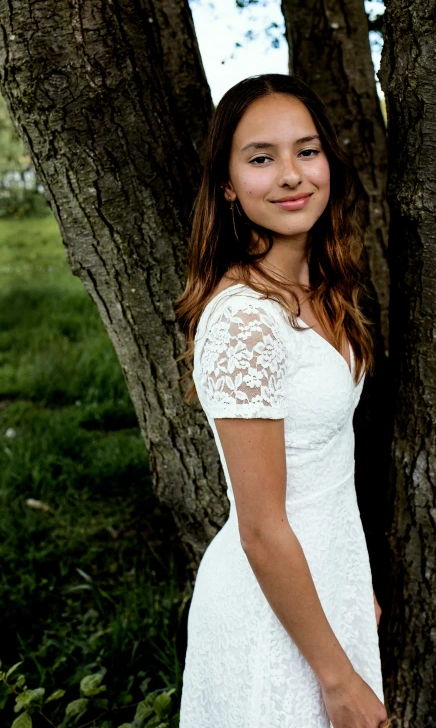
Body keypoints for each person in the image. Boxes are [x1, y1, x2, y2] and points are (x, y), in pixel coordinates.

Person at [173, 73, 390, 728]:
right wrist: (338, 677)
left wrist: (353, 584)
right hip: (271, 613)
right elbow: (263, 527)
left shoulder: (318, 289)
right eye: (262, 158)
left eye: (307, 150)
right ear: (228, 185)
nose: (292, 175)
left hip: (325, 588)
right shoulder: (243, 321)